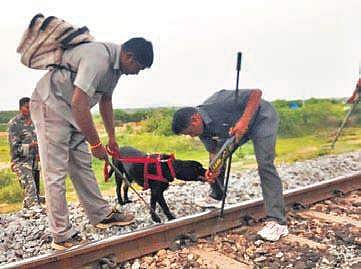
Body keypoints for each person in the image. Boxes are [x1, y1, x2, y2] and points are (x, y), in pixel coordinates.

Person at [29, 37, 154, 250]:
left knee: (82, 165)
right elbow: (80, 102)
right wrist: (96, 144)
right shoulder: (99, 59)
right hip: (51, 105)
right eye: (138, 68)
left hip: (72, 111)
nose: (137, 73)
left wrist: (111, 138)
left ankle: (101, 214)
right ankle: (61, 235)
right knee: (55, 172)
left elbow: (105, 100)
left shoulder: (116, 69)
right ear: (129, 56)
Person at [172, 89, 288, 241]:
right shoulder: (202, 130)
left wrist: (244, 121)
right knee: (214, 166)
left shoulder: (218, 101)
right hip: (236, 132)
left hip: (261, 118)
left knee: (265, 164)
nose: (191, 136)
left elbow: (256, 93)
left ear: (195, 119)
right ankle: (217, 195)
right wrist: (214, 169)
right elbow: (214, 151)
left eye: (190, 132)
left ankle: (277, 222)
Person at [8, 97, 41, 209]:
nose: (30, 110)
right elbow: (15, 149)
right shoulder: (14, 123)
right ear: (20, 108)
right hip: (21, 162)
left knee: (35, 191)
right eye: (27, 107)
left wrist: (38, 153)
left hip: (34, 161)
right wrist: (31, 145)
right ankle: (34, 212)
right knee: (30, 189)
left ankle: (30, 214)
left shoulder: (35, 121)